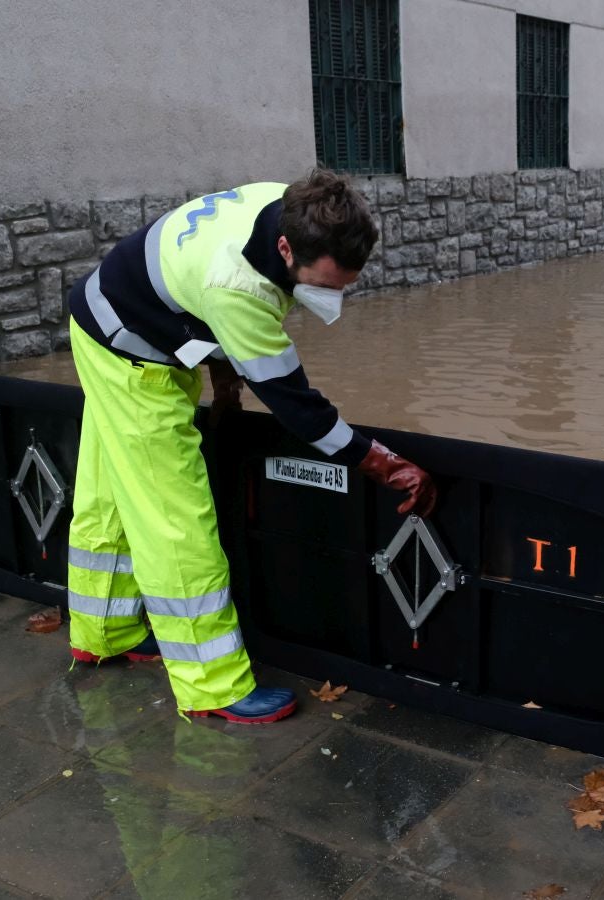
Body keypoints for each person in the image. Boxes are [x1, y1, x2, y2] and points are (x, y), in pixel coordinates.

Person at [63, 169, 436, 724]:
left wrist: (224, 378)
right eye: (324, 284)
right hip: (134, 357)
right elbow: (294, 402)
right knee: (173, 516)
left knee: (110, 492)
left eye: (343, 284)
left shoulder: (284, 206)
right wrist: (380, 463)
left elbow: (202, 306)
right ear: (286, 250)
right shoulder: (238, 287)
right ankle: (211, 683)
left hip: (111, 321)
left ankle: (104, 632)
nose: (332, 296)